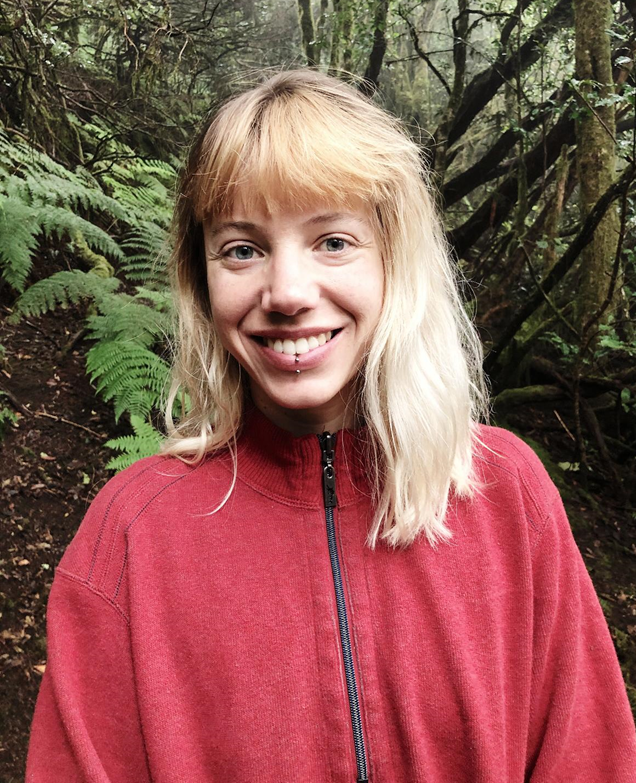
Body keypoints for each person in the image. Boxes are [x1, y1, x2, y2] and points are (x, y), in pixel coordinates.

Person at [26, 69, 636, 782]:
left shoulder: (505, 495)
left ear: (395, 260)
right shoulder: (133, 534)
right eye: (242, 249)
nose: (286, 292)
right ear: (201, 279)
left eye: (334, 241)